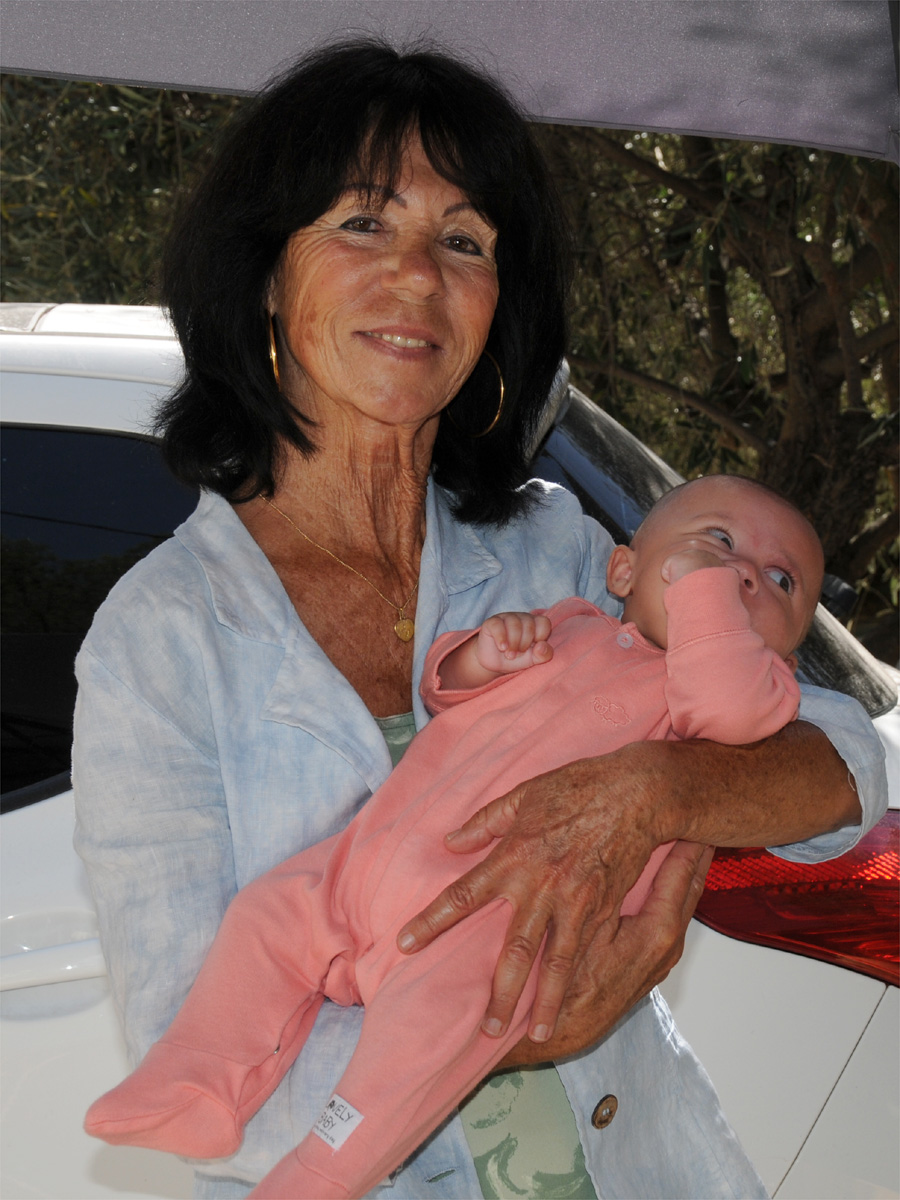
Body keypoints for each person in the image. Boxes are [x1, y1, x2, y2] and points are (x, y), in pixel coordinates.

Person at [71, 39, 887, 1200]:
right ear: (265, 276)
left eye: (465, 241)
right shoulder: (160, 641)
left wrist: (659, 788)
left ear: (497, 306)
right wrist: (509, 1031)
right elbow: (191, 1040)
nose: (416, 276)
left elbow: (844, 757)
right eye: (364, 222)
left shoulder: (555, 550)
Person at [84, 475, 822, 1200]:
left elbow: (735, 702)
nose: (743, 574)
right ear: (622, 572)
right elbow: (445, 692)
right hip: (372, 861)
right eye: (719, 541)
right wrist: (482, 656)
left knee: (416, 1051)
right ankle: (194, 1080)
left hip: (480, 933)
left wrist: (703, 593)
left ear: (784, 662)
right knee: (264, 919)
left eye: (781, 581)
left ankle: (319, 1176)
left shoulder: (729, 703)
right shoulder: (574, 622)